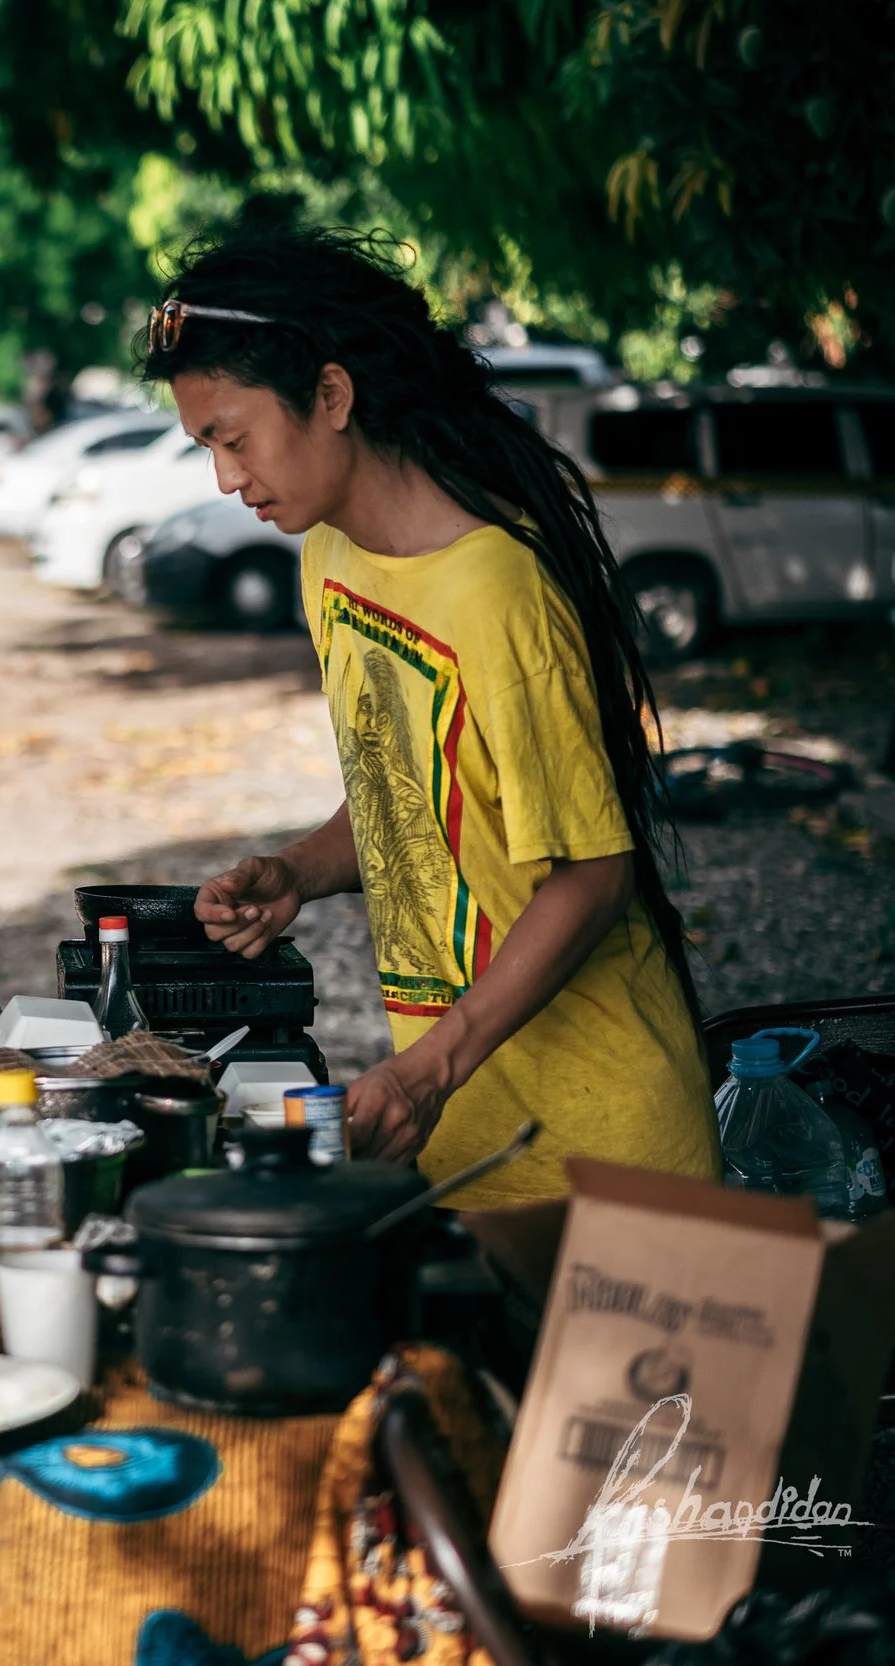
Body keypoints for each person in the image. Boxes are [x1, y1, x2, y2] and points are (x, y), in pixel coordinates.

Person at [152, 221, 717, 1208]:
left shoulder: (495, 588)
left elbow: (592, 871)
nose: (225, 478)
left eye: (232, 439)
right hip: (466, 1136)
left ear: (330, 395)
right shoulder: (328, 557)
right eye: (205, 447)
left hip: (606, 1144)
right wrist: (298, 871)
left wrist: (428, 1067)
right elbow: (412, 796)